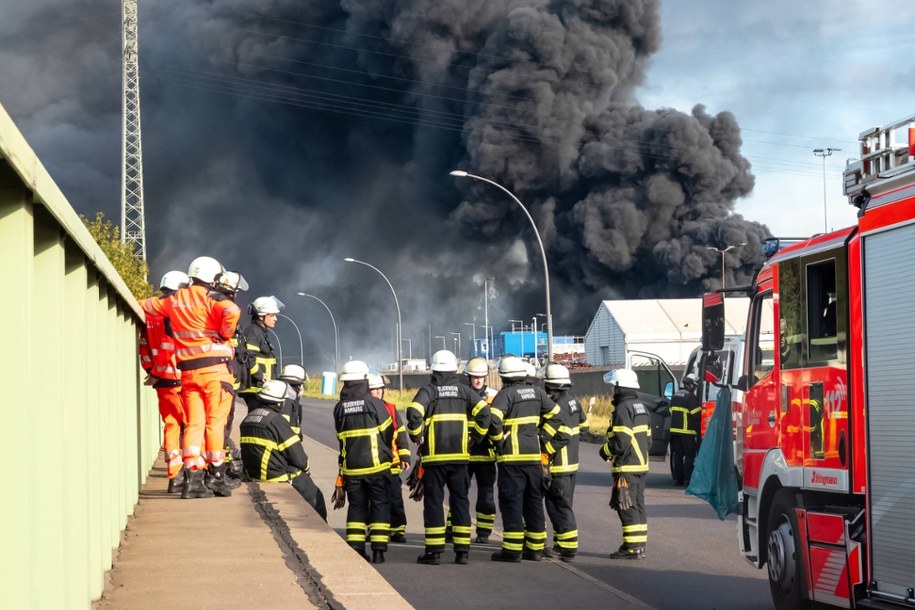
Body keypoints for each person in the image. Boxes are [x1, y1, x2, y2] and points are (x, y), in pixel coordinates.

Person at [142, 256, 240, 499]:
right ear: (212, 278)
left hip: (188, 373)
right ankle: (216, 474)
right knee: (215, 423)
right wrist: (223, 333)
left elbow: (146, 306)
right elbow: (232, 310)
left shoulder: (174, 299)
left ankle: (192, 478)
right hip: (215, 371)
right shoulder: (213, 298)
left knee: (194, 424)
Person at [406, 350, 490, 566]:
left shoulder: (429, 391)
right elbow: (484, 413)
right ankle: (462, 552)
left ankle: (433, 553)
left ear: (434, 370)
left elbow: (414, 412)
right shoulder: (464, 391)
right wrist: (476, 437)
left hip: (435, 459)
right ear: (455, 370)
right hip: (460, 459)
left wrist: (417, 436)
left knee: (434, 503)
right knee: (460, 502)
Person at [489, 356, 562, 563]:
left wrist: (497, 440)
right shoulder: (538, 393)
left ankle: (512, 551)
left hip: (511, 459)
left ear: (504, 377)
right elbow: (557, 415)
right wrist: (542, 437)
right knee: (533, 503)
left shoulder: (505, 394)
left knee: (511, 502)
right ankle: (536, 549)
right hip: (533, 458)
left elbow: (494, 419)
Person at [333, 360, 395, 564]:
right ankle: (378, 551)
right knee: (379, 505)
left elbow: (341, 439)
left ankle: (356, 548)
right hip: (377, 467)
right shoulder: (374, 404)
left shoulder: (339, 408)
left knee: (357, 507)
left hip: (352, 470)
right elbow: (388, 431)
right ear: (364, 381)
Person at [240, 379, 327, 520]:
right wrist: (306, 468)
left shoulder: (249, 418)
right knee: (316, 496)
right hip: (277, 477)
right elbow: (298, 457)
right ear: (279, 402)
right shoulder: (276, 420)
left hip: (254, 475)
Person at [138, 270, 189, 493]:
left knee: (171, 424)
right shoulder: (176, 312)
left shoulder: (149, 315)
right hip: (180, 378)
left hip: (161, 381)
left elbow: (144, 349)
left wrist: (153, 371)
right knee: (191, 425)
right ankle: (190, 474)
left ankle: (174, 474)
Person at [599, 368, 651, 559]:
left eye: (614, 387)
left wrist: (604, 451)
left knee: (625, 506)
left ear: (620, 388)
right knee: (637, 505)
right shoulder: (641, 407)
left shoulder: (623, 409)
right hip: (640, 466)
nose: (613, 390)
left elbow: (620, 441)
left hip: (626, 468)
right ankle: (639, 546)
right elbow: (649, 440)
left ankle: (630, 547)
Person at [541, 363, 588, 562]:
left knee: (558, 505)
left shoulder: (557, 406)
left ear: (550, 386)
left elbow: (563, 434)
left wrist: (546, 451)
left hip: (559, 465)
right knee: (564, 504)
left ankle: (567, 548)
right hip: (572, 465)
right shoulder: (574, 403)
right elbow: (584, 428)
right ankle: (561, 543)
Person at [213, 270, 249, 488]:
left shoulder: (216, 307)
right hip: (219, 378)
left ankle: (219, 468)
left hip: (223, 378)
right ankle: (218, 471)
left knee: (221, 425)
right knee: (220, 425)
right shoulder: (226, 310)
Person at [368, 373, 411, 543]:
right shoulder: (366, 409)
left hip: (392, 463)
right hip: (373, 464)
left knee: (395, 497)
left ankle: (397, 530)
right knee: (374, 500)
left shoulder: (391, 409)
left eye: (380, 388)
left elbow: (400, 433)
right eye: (374, 389)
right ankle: (375, 529)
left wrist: (404, 454)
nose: (378, 392)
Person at [462, 357, 498, 543]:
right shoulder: (462, 394)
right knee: (459, 493)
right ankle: (455, 529)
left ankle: (483, 532)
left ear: (486, 377)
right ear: (468, 377)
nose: (477, 380)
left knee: (486, 495)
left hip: (486, 455)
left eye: (481, 377)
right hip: (464, 454)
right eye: (474, 377)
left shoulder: (494, 396)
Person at [238, 296, 281, 411]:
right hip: (255, 388)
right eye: (272, 315)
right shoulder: (253, 332)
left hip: (261, 387)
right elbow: (248, 358)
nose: (275, 318)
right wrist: (260, 375)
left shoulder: (260, 332)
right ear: (261, 316)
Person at [669, 373, 701, 487]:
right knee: (689, 455)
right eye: (695, 385)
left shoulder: (675, 395)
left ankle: (678, 479)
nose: (695, 388)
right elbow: (696, 415)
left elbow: (670, 411)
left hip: (674, 431)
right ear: (691, 384)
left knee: (678, 455)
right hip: (687, 432)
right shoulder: (690, 397)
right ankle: (687, 479)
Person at [277, 364, 307, 438]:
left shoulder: (283, 397)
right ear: (298, 385)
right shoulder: (288, 402)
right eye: (301, 385)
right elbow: (284, 428)